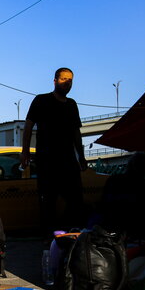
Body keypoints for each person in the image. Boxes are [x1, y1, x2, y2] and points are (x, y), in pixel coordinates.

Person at [21, 67, 87, 236]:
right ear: (55, 80)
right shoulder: (41, 100)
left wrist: (82, 157)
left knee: (75, 199)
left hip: (69, 160)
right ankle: (49, 238)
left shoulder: (72, 105)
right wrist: (25, 151)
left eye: (70, 80)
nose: (68, 83)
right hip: (47, 160)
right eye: (64, 79)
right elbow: (28, 125)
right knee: (48, 201)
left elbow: (76, 134)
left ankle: (71, 233)